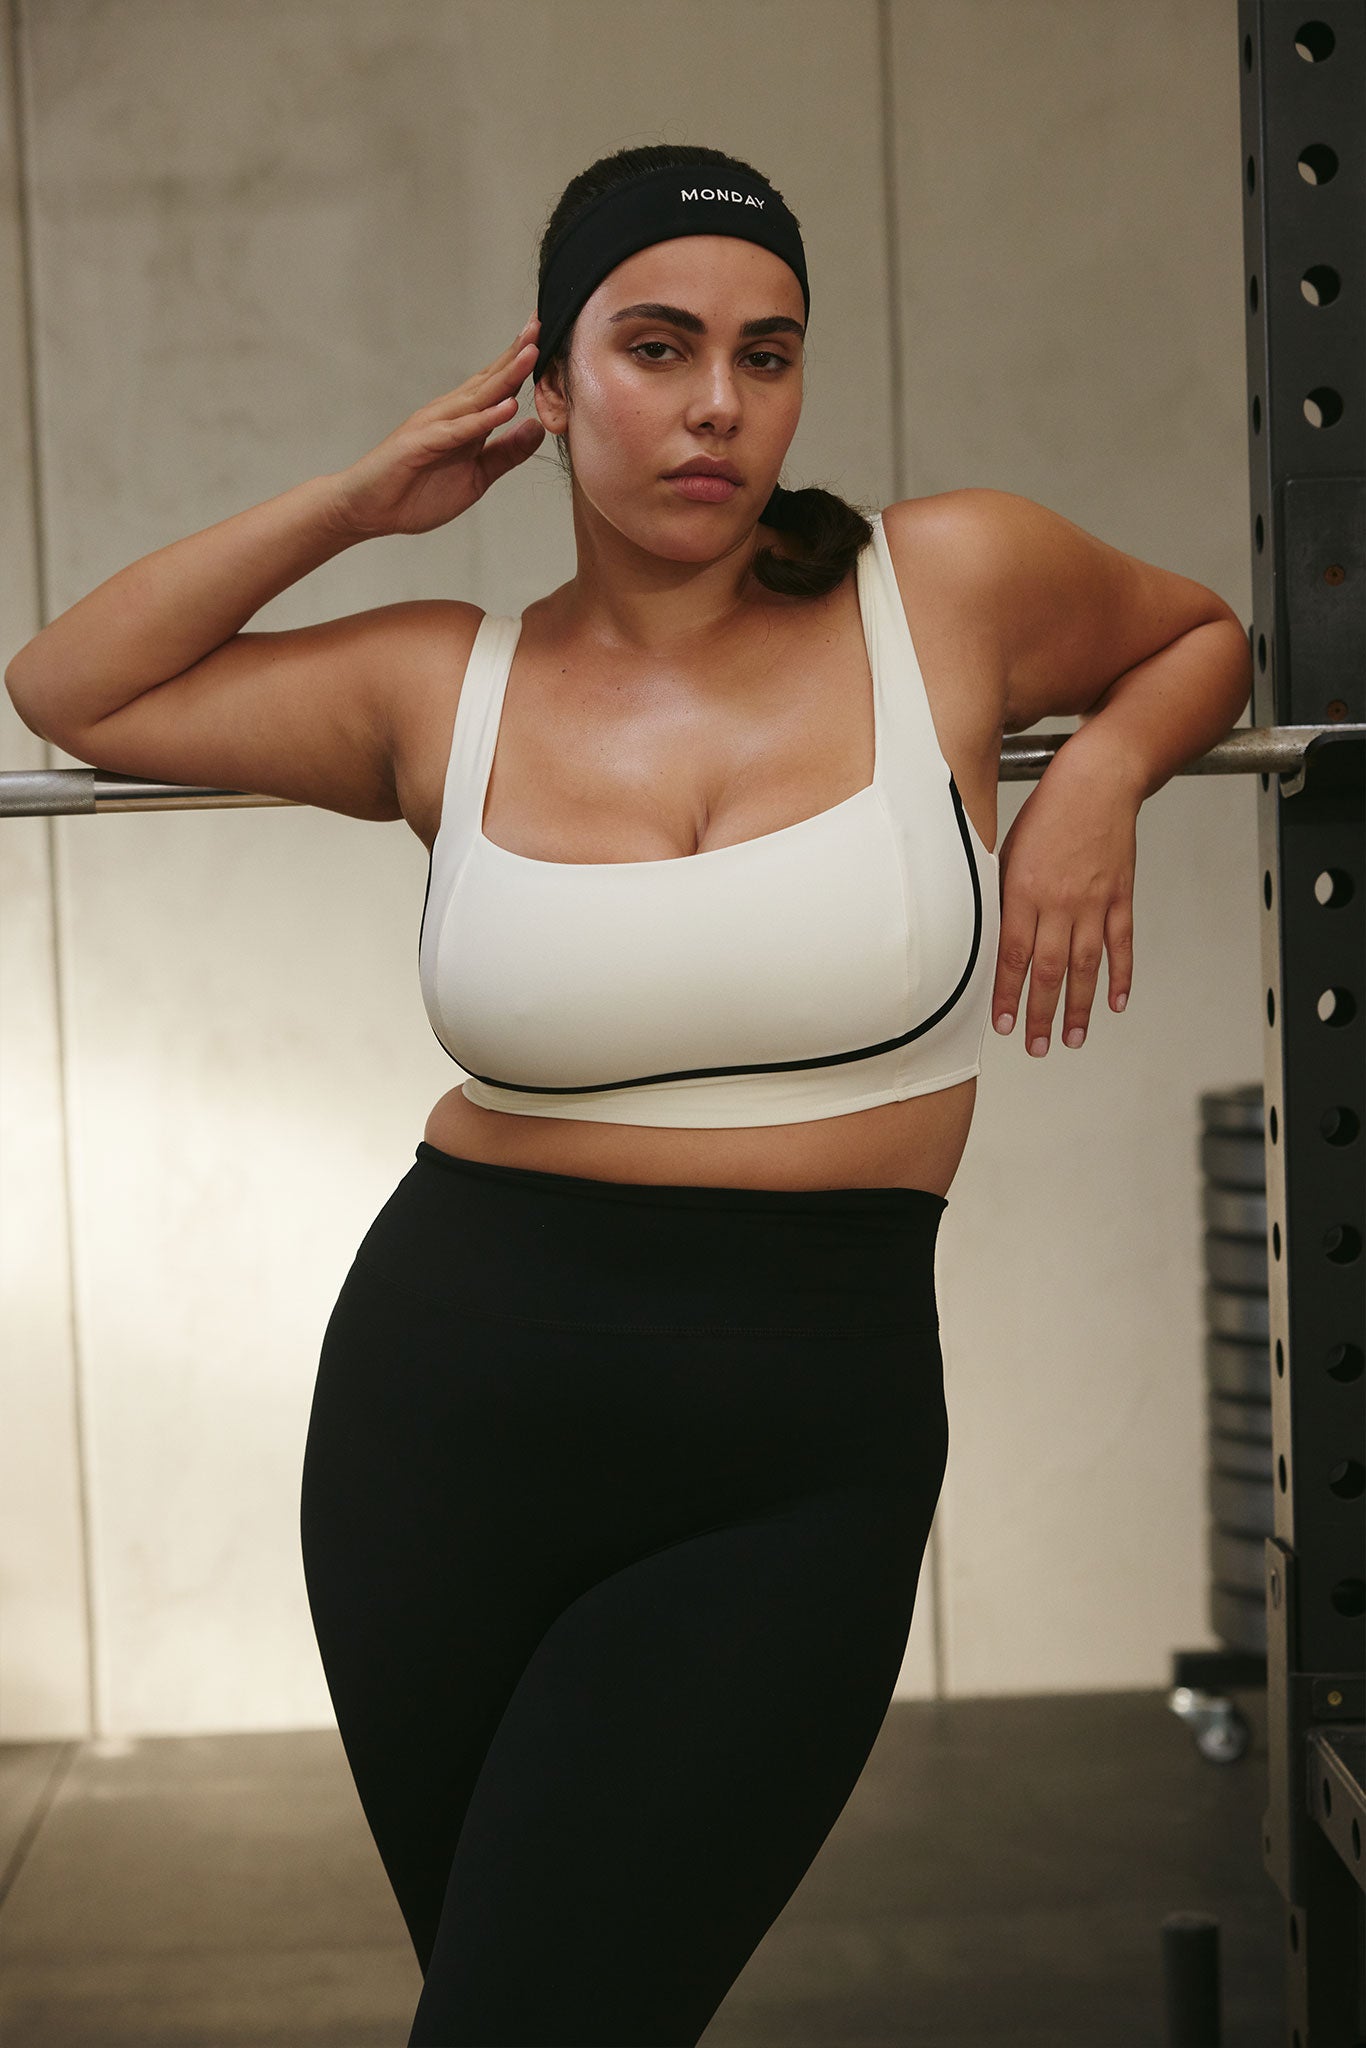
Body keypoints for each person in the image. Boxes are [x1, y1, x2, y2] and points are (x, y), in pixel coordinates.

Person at [3, 141, 1251, 2048]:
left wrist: (1093, 779)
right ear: (550, 381)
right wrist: (361, 501)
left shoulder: (948, 584)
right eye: (655, 348)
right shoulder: (445, 685)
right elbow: (69, 683)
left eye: (765, 355)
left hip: (799, 1439)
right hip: (444, 1419)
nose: (714, 407)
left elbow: (1199, 632)